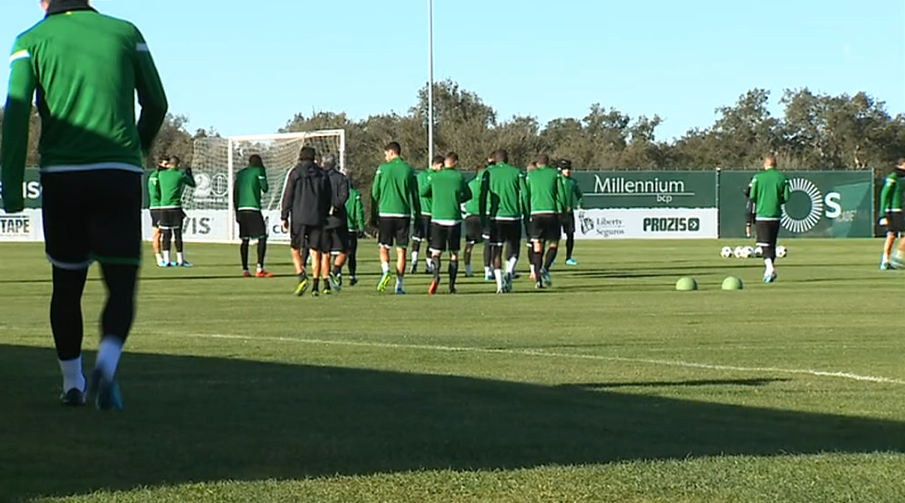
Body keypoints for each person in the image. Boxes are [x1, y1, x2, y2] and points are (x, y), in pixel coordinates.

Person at [0, 0, 167, 409]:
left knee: (67, 285)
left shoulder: (31, 40)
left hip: (63, 177)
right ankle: (107, 365)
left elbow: (18, 113)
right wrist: (135, 151)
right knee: (121, 284)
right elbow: (157, 104)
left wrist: (11, 186)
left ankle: (72, 383)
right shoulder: (126, 32)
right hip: (118, 174)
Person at [281, 146, 332, 296]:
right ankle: (316, 285)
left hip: (298, 217)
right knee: (315, 251)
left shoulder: (295, 172)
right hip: (317, 217)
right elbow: (328, 196)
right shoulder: (322, 174)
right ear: (314, 157)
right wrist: (324, 212)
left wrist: (284, 215)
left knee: (295, 249)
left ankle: (301, 275)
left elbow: (288, 195)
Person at [371, 141, 421, 295]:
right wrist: (417, 214)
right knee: (402, 251)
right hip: (403, 214)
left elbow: (374, 193)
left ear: (391, 153)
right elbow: (415, 194)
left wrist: (373, 214)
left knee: (384, 247)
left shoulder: (383, 169)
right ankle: (399, 286)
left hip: (386, 213)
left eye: (386, 154)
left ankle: (386, 270)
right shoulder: (409, 170)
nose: (385, 157)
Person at [422, 152, 471, 294]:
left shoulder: (435, 176)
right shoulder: (459, 177)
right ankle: (451, 286)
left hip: (437, 218)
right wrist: (456, 200)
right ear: (454, 162)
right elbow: (468, 194)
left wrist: (437, 195)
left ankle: (436, 276)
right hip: (454, 219)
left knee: (436, 252)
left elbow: (423, 192)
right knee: (454, 253)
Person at [479, 149, 527, 293]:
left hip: (496, 217)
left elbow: (483, 195)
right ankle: (509, 272)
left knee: (497, 251)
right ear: (507, 159)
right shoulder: (517, 172)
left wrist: (483, 215)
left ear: (495, 159)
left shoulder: (488, 172)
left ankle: (500, 285)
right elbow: (525, 194)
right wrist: (526, 212)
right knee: (514, 249)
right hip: (513, 216)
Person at [748, 155, 790, 283]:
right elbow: (787, 197)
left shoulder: (758, 178)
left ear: (765, 165)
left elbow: (752, 196)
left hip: (762, 214)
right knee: (772, 244)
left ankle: (770, 268)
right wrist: (777, 201)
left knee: (764, 245)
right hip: (776, 215)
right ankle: (768, 272)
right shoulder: (782, 178)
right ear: (776, 164)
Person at [525, 154, 565, 289]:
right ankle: (545, 268)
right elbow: (561, 194)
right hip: (551, 213)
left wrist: (527, 210)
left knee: (537, 246)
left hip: (536, 214)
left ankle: (538, 280)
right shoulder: (555, 174)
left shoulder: (531, 175)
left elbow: (526, 194)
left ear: (537, 163)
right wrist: (562, 210)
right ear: (548, 163)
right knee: (553, 243)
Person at [234, 154, 272, 277]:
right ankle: (260, 269)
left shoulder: (240, 174)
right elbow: (265, 188)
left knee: (245, 240)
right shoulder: (259, 170)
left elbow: (235, 193)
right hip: (253, 209)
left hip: (241, 209)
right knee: (262, 237)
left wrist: (236, 212)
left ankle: (245, 269)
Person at [154, 155, 195, 267]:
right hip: (175, 207)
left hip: (163, 208)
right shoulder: (179, 174)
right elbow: (192, 184)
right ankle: (180, 260)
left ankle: (167, 260)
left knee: (166, 234)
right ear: (178, 164)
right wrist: (189, 174)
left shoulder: (161, 174)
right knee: (177, 234)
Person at [322, 153, 350, 290]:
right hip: (338, 219)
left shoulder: (319, 178)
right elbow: (344, 196)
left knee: (325, 253)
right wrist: (334, 207)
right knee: (344, 250)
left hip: (322, 221)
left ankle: (326, 284)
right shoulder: (342, 178)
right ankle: (336, 271)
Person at [411, 157, 441, 274]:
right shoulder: (437, 177)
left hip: (420, 212)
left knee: (416, 239)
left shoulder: (419, 176)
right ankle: (429, 265)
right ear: (437, 165)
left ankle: (414, 261)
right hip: (431, 213)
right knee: (431, 241)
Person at [462, 163, 486, 277]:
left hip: (470, 217)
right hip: (483, 216)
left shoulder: (469, 184)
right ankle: (488, 270)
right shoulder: (487, 185)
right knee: (489, 244)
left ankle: (468, 270)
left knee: (469, 245)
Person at [880, 159, 905, 269]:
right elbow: (885, 194)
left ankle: (886, 261)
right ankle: (896, 257)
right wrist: (883, 213)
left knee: (892, 235)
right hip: (894, 211)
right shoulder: (893, 177)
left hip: (901, 210)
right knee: (892, 235)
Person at [558, 160, 583, 266]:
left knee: (570, 235)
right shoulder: (557, 180)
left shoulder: (572, 181)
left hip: (569, 213)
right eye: (565, 169)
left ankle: (568, 257)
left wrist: (580, 204)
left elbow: (579, 195)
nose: (567, 171)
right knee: (554, 236)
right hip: (558, 212)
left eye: (568, 169)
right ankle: (552, 257)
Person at [344, 169, 366, 286]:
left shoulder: (338, 193)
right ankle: (352, 276)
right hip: (351, 229)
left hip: (339, 228)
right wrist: (361, 227)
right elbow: (359, 212)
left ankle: (337, 274)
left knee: (338, 252)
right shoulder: (355, 195)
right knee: (351, 254)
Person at [148, 156, 168, 267]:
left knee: (167, 232)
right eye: (165, 164)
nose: (167, 166)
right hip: (157, 208)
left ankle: (166, 257)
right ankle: (159, 258)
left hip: (164, 207)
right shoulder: (155, 176)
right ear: (160, 164)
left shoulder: (165, 176)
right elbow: (154, 194)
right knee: (157, 233)